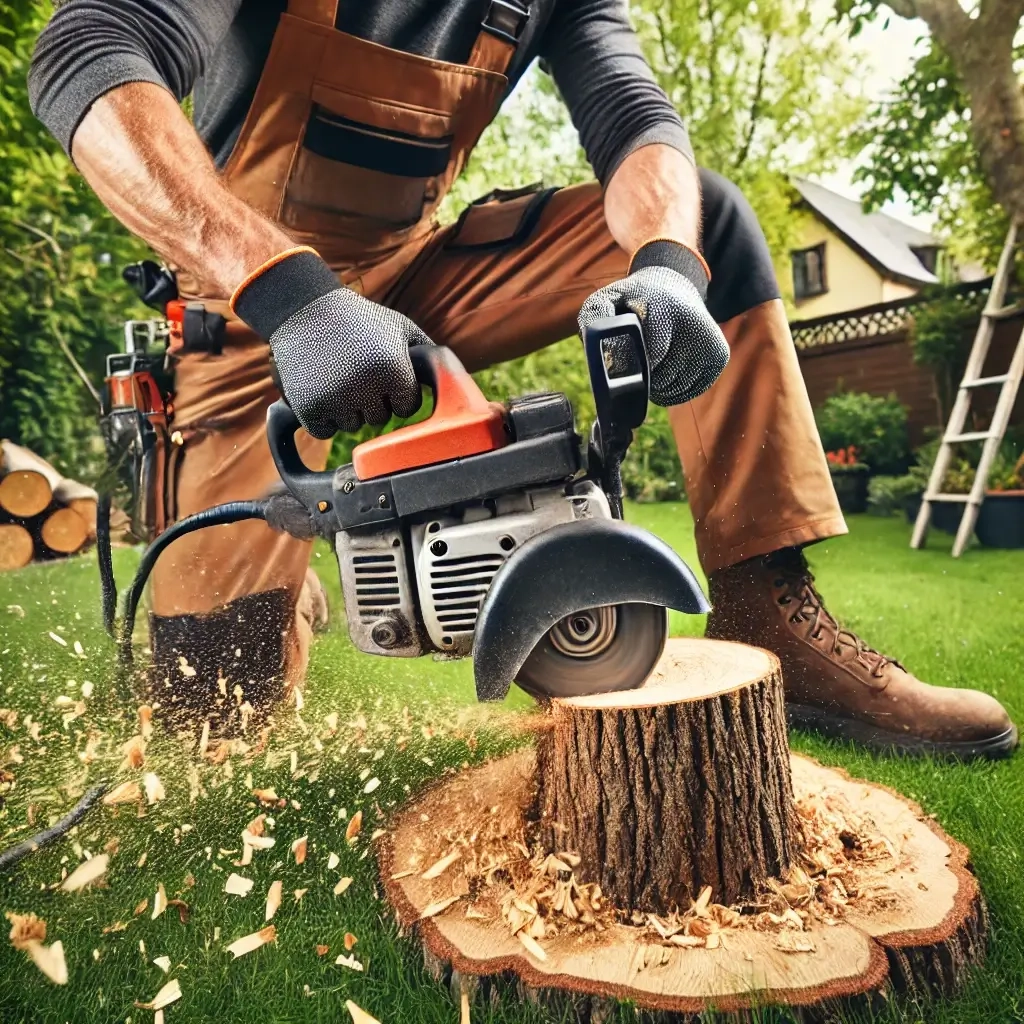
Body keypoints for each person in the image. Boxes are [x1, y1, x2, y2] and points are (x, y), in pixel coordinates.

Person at [29, 0, 1017, 758]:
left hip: (420, 277)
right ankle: (291, 587)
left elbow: (635, 117)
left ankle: (771, 617)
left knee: (702, 218)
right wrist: (293, 296)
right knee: (215, 721)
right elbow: (86, 49)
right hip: (245, 303)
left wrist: (667, 269)